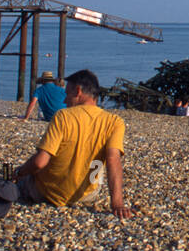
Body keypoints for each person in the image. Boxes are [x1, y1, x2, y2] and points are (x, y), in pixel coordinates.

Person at [12, 69, 131, 219]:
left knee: (21, 176)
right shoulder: (115, 122)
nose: (64, 100)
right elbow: (113, 160)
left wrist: (20, 173)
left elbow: (40, 162)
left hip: (48, 193)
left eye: (67, 94)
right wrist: (118, 204)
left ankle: (12, 176)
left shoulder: (63, 116)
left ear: (78, 91)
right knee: (99, 164)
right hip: (87, 195)